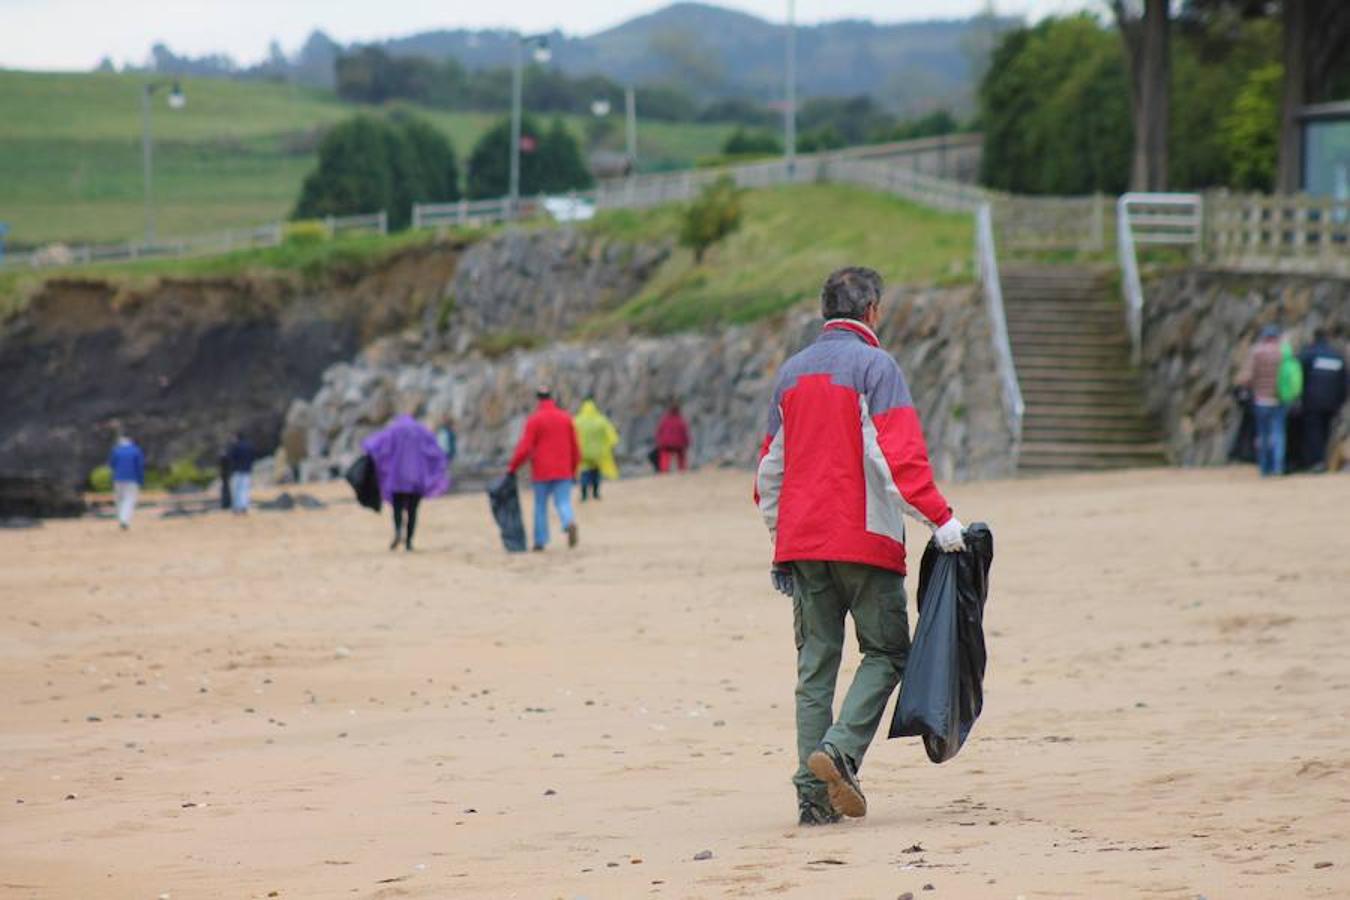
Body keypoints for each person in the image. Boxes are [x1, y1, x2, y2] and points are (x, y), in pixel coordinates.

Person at [754, 266, 968, 827]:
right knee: (888, 651)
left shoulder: (791, 374)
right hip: (864, 539)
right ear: (872, 309)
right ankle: (843, 752)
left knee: (815, 670)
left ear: (827, 310)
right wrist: (940, 520)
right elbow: (894, 455)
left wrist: (782, 543)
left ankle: (812, 798)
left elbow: (769, 470)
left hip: (803, 545)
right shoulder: (877, 366)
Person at [508, 387, 581, 551]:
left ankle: (540, 541)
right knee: (563, 501)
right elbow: (575, 447)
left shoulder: (534, 420)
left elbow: (525, 448)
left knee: (540, 506)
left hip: (542, 471)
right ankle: (568, 521)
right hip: (564, 469)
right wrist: (574, 468)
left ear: (538, 400)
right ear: (552, 398)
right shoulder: (566, 418)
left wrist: (513, 467)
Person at [362, 413, 449, 551]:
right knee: (413, 511)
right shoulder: (421, 431)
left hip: (397, 477)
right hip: (417, 478)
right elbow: (435, 450)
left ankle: (397, 530)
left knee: (397, 509)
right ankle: (409, 542)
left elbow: (376, 445)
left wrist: (367, 449)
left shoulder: (394, 430)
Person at [1237, 325, 1294, 476]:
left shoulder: (1256, 352)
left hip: (1261, 399)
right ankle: (1278, 467)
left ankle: (1264, 468)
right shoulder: (1284, 353)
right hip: (1279, 399)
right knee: (1278, 433)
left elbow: (1247, 377)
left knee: (1263, 434)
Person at [1300, 329, 1348, 472]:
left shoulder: (1308, 354)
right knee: (1326, 431)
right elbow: (1345, 381)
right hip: (1332, 403)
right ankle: (1325, 461)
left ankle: (1316, 462)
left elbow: (1300, 377)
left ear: (1314, 338)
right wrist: (1340, 401)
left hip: (1312, 402)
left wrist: (1301, 398)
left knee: (1313, 432)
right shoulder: (1337, 356)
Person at [574, 398, 620, 501]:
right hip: (598, 453)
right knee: (596, 472)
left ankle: (584, 493)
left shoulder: (577, 420)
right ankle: (595, 493)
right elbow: (612, 435)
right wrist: (611, 444)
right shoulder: (601, 420)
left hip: (583, 453)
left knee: (584, 471)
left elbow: (571, 435)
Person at [108, 434, 145, 530]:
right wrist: (141, 480)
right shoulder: (136, 450)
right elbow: (140, 467)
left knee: (119, 499)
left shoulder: (116, 451)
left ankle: (121, 519)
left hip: (118, 479)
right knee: (129, 499)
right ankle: (125, 520)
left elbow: (111, 465)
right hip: (132, 479)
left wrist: (112, 478)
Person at [654, 402, 691, 473]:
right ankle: (682, 470)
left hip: (666, 443)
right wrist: (687, 442)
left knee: (664, 455)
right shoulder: (681, 421)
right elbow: (685, 433)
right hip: (679, 444)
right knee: (681, 456)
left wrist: (658, 441)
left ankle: (664, 471)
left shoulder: (664, 420)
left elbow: (658, 431)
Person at [225, 433, 256, 514]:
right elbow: (253, 457)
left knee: (236, 490)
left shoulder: (235, 446)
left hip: (237, 471)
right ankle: (244, 506)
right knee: (245, 490)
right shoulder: (249, 446)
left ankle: (236, 507)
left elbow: (229, 457)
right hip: (247, 470)